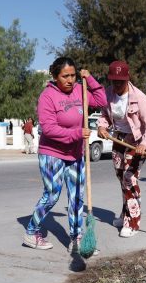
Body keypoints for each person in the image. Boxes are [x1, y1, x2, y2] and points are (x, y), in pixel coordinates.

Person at [22, 57, 107, 253]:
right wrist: (77, 133)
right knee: (52, 195)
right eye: (65, 76)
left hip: (76, 153)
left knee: (77, 197)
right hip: (52, 153)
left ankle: (76, 239)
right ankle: (31, 231)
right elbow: (49, 129)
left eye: (73, 75)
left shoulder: (80, 88)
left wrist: (90, 79)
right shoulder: (47, 96)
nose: (70, 80)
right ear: (55, 76)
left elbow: (101, 101)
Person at [97, 61, 146, 238]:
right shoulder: (108, 93)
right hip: (118, 139)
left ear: (127, 78)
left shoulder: (138, 97)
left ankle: (132, 222)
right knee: (121, 177)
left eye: (120, 81)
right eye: (114, 81)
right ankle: (125, 212)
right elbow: (104, 115)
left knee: (129, 178)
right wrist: (102, 126)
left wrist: (145, 144)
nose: (117, 85)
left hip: (137, 142)